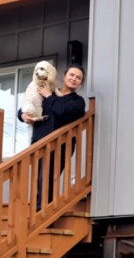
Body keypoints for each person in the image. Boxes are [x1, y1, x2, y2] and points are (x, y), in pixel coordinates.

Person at [18, 65, 87, 209]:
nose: (74, 79)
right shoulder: (50, 91)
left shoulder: (77, 102)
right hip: (39, 141)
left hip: (60, 144)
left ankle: (41, 211)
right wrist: (23, 115)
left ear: (81, 83)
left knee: (47, 178)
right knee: (38, 179)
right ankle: (39, 209)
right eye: (72, 75)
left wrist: (48, 96)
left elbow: (61, 111)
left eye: (78, 78)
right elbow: (29, 104)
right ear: (64, 76)